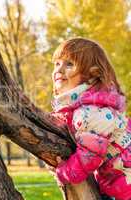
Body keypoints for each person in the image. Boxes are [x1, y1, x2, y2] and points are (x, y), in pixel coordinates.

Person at [51, 37, 131, 200]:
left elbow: (89, 156)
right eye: (57, 63)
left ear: (92, 75)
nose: (59, 69)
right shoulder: (85, 107)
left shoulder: (92, 112)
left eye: (69, 64)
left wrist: (64, 172)